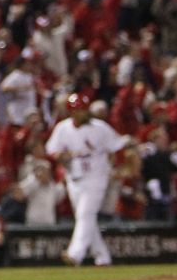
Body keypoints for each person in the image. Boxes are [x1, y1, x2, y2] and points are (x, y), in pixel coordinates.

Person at [45, 92, 134, 266]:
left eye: (84, 109)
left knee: (85, 214)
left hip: (96, 177)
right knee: (86, 219)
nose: (83, 113)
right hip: (74, 178)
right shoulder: (63, 128)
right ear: (71, 111)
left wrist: (123, 156)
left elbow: (117, 145)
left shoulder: (100, 127)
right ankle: (102, 256)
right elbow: (52, 150)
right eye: (79, 110)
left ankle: (75, 254)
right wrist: (61, 155)